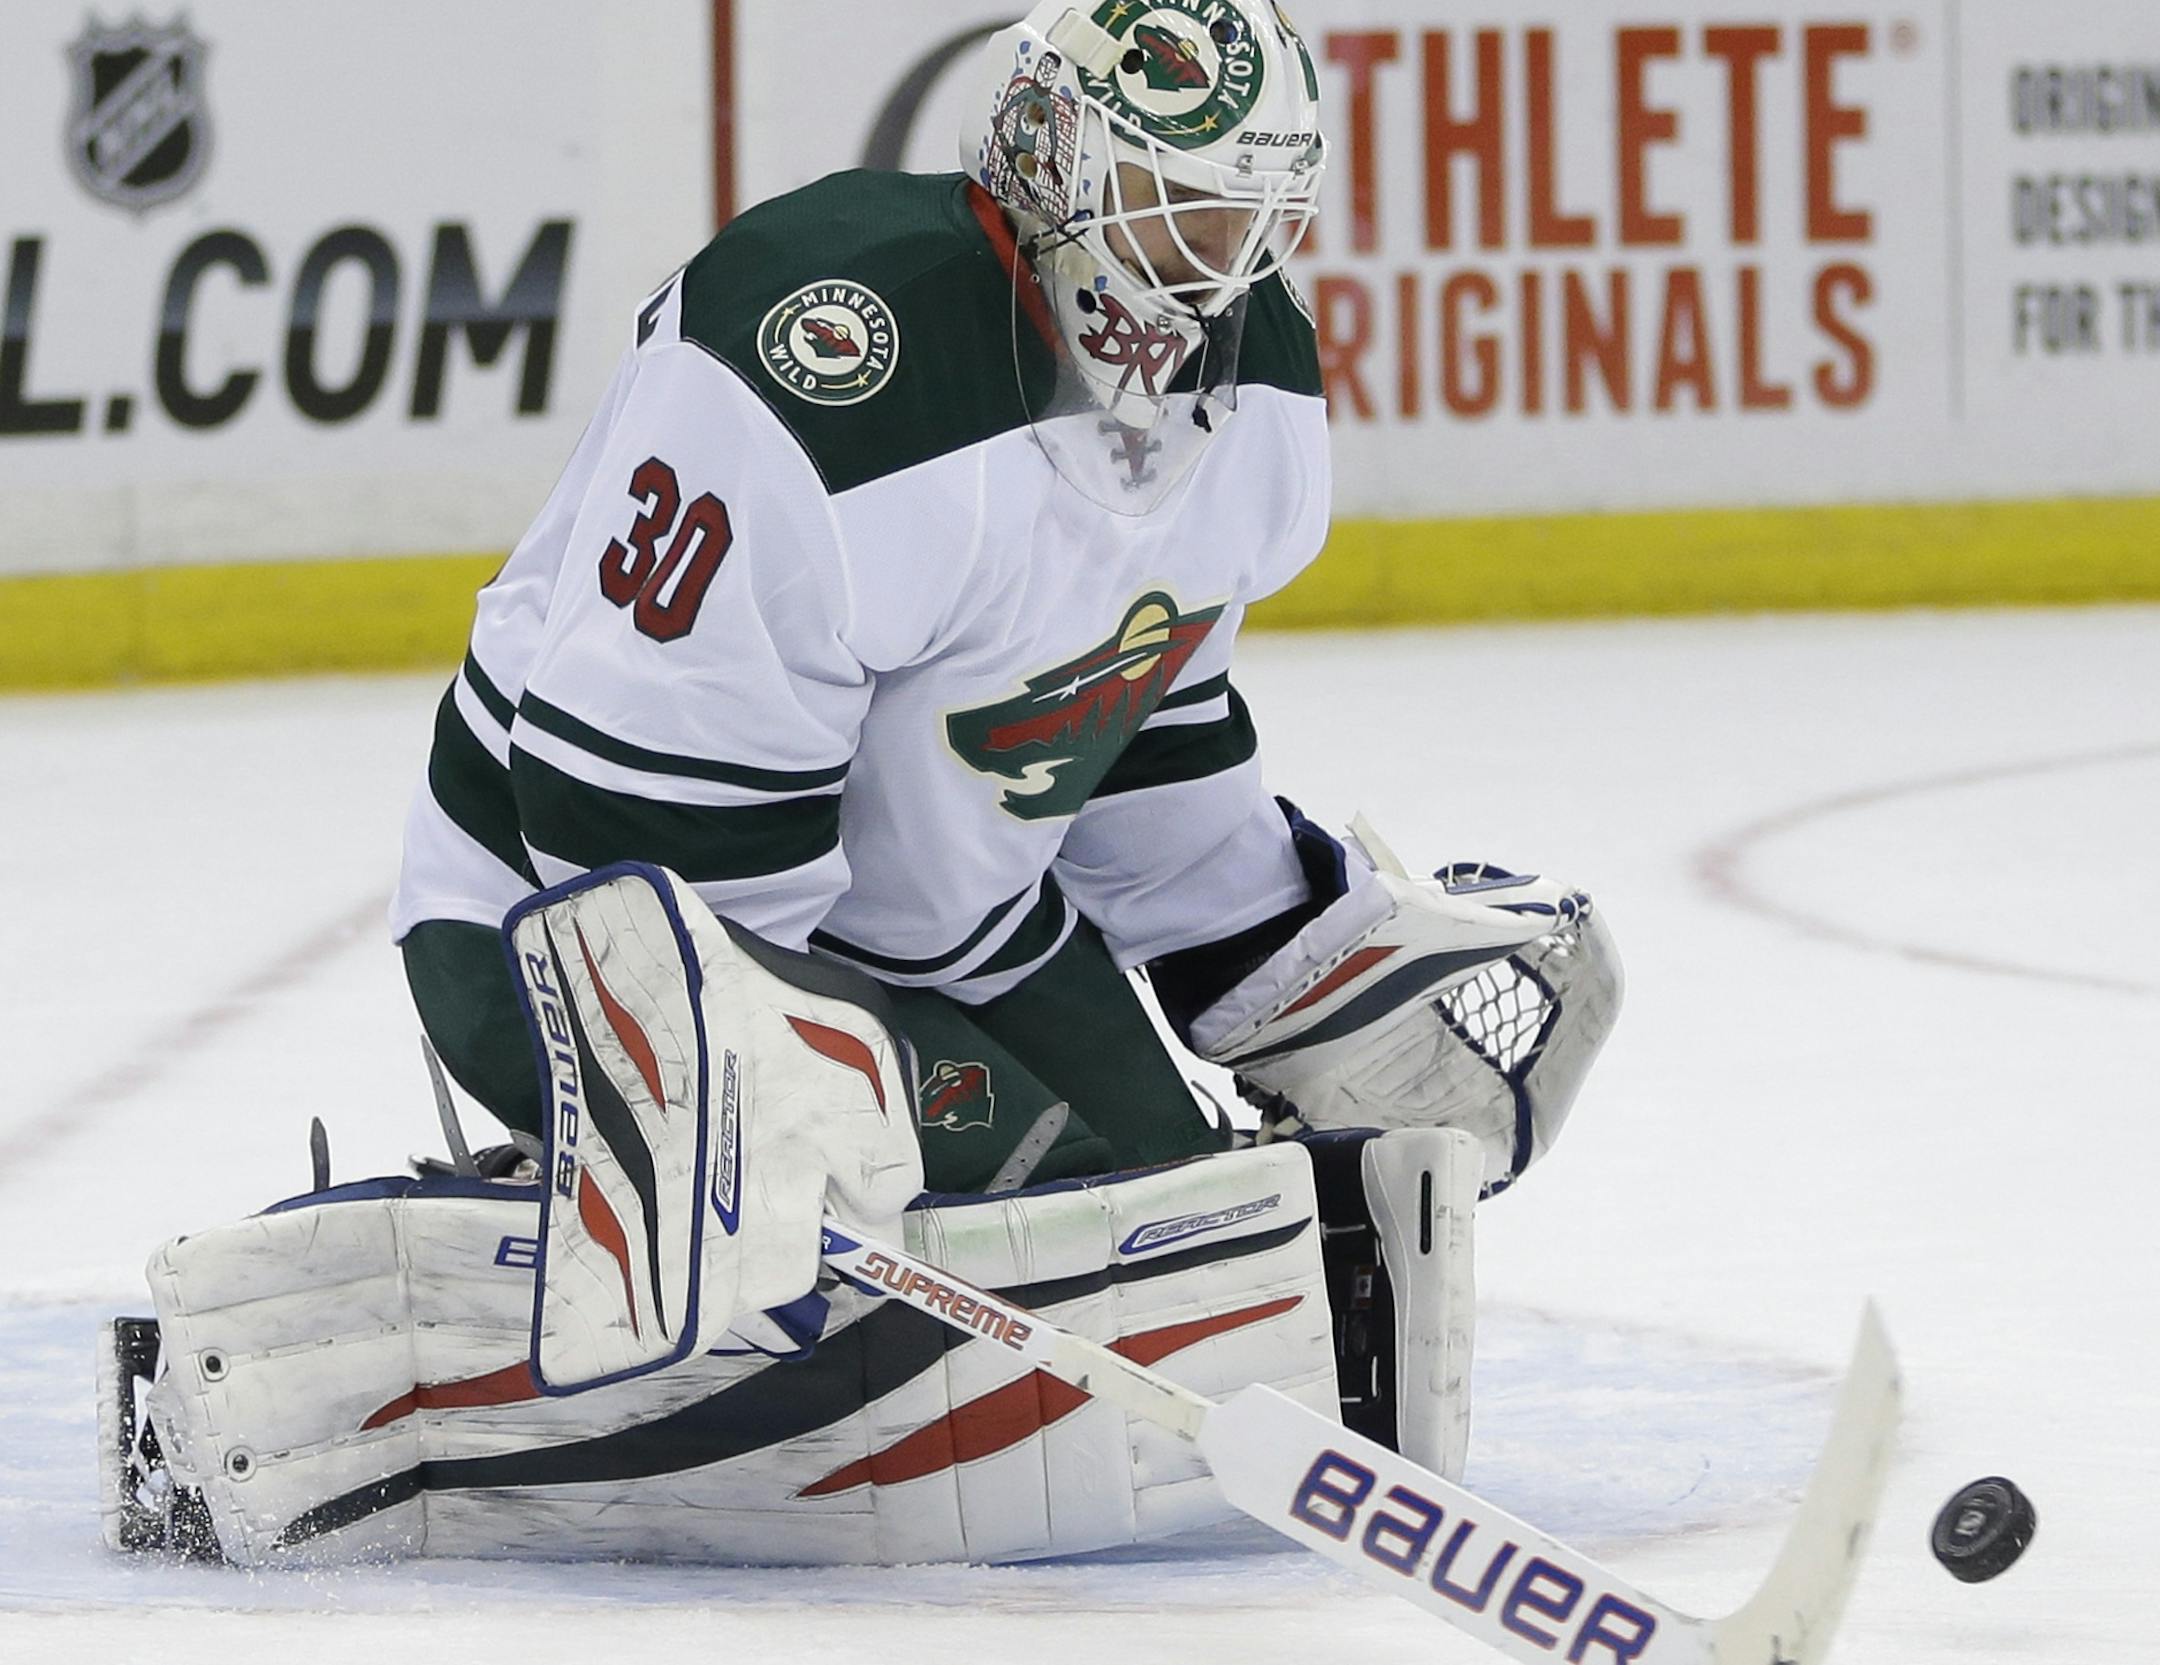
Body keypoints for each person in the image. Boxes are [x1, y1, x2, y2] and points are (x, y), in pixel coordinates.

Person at [105, 2, 1621, 1570]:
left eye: (1253, 215)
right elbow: (608, 811)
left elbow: (1133, 719)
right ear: (1047, 159)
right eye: (1179, 206)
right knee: (1031, 1240)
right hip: (571, 926)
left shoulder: (1259, 391)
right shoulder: (825, 360)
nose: (1217, 268)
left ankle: (769, 1237)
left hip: (945, 927)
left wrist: (1293, 946)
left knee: (1195, 1235)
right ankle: (402, 1309)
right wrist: (762, 1062)